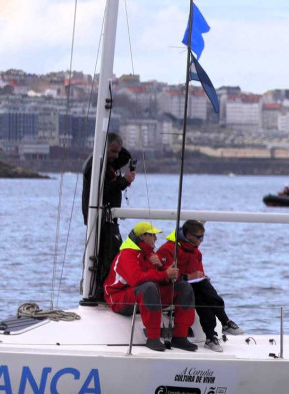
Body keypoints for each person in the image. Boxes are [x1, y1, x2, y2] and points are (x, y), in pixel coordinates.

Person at [104, 221, 197, 353]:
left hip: (143, 295)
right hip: (119, 298)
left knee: (183, 287)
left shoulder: (150, 255)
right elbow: (137, 280)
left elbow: (163, 278)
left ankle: (180, 336)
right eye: (153, 235)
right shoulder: (127, 254)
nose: (156, 238)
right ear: (142, 236)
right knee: (148, 287)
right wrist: (164, 273)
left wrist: (161, 267)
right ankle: (152, 338)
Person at [157, 220, 244, 353]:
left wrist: (202, 276)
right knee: (202, 288)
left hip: (190, 289)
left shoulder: (196, 253)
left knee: (203, 293)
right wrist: (189, 277)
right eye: (199, 237)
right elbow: (162, 275)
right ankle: (224, 321)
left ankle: (211, 337)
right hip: (170, 290)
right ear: (188, 235)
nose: (202, 241)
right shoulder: (168, 249)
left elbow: (198, 274)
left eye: (203, 237)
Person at [82, 132, 136, 300]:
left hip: (108, 218)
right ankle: (98, 293)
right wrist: (124, 181)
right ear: (103, 148)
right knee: (106, 256)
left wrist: (117, 148)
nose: (116, 156)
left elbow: (125, 157)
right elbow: (103, 190)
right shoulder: (95, 166)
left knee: (112, 253)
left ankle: (103, 291)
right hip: (100, 218)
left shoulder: (108, 163)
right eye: (113, 151)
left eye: (117, 152)